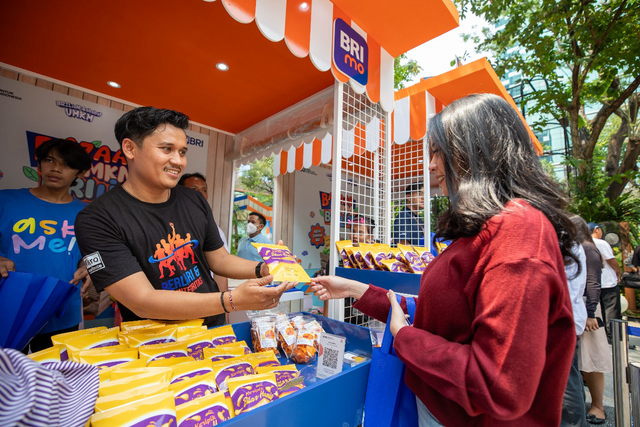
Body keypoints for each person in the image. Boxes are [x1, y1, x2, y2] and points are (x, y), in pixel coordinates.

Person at [311, 94, 577, 426]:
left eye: (438, 151)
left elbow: (498, 384)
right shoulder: (485, 228)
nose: (431, 164)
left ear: (474, 150)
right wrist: (354, 289)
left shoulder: (518, 231)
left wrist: (405, 339)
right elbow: (441, 317)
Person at [75, 107, 295, 328]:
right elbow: (142, 301)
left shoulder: (194, 200)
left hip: (212, 329)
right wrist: (231, 300)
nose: (178, 161)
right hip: (156, 344)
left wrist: (263, 269)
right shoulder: (97, 219)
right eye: (167, 149)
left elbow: (219, 259)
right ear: (130, 148)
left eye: (182, 152)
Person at [0, 138, 92, 352]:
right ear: (39, 164)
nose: (56, 169)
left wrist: (90, 268)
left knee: (54, 378)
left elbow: (94, 254)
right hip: (8, 309)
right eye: (49, 160)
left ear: (81, 173)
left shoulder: (88, 214)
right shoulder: (6, 201)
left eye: (67, 164)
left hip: (62, 312)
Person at [178, 172, 229, 304]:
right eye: (194, 189)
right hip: (176, 304)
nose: (200, 194)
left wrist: (224, 310)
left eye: (204, 190)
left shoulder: (215, 230)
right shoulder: (172, 226)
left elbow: (221, 270)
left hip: (208, 303)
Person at [578, 219, 611, 424]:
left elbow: (593, 282)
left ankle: (598, 405)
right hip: (577, 306)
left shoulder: (588, 249)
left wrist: (590, 313)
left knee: (592, 360)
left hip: (586, 307)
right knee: (582, 360)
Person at [561, 216, 589, 427]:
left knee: (567, 381)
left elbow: (567, 290)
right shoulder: (574, 246)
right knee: (570, 376)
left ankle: (574, 423)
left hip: (565, 319)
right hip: (571, 317)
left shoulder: (569, 247)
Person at [589, 222, 621, 342]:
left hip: (593, 283)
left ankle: (602, 337)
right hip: (607, 282)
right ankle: (613, 337)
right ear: (596, 230)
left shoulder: (583, 243)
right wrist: (619, 271)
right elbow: (611, 260)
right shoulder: (601, 243)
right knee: (611, 310)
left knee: (599, 310)